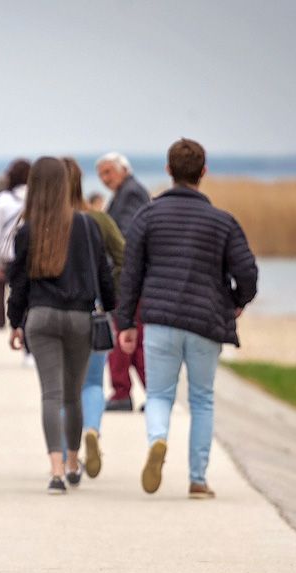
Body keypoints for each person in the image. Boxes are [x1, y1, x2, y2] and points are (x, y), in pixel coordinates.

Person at [114, 139, 258, 499]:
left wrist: (126, 322)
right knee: (202, 399)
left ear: (168, 171)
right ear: (203, 172)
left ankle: (158, 440)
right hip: (206, 320)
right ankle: (197, 479)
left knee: (159, 394)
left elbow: (130, 274)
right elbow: (248, 273)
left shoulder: (148, 216)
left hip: (159, 319)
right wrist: (236, 302)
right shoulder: (223, 222)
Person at [7, 157, 115, 494]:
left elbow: (18, 282)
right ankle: (72, 462)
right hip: (80, 318)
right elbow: (104, 275)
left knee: (50, 394)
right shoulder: (87, 225)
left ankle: (55, 470)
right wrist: (113, 309)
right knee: (73, 395)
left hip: (41, 316)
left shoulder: (28, 229)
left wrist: (15, 322)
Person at [62, 157, 124, 480]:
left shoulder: (46, 220)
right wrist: (109, 288)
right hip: (94, 307)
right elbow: (124, 256)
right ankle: (92, 430)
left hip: (55, 306)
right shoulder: (99, 219)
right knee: (93, 383)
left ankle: (65, 457)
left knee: (62, 388)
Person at [97, 152, 152, 412]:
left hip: (126, 279)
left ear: (123, 169)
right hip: (128, 278)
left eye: (108, 172)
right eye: (101, 175)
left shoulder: (131, 193)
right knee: (131, 338)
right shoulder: (126, 192)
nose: (105, 179)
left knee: (124, 337)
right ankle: (147, 393)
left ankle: (123, 392)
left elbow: (127, 237)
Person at [0, 159, 30, 329]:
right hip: (29, 253)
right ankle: (23, 321)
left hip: (7, 252)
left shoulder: (3, 199)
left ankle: (1, 322)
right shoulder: (37, 197)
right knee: (25, 289)